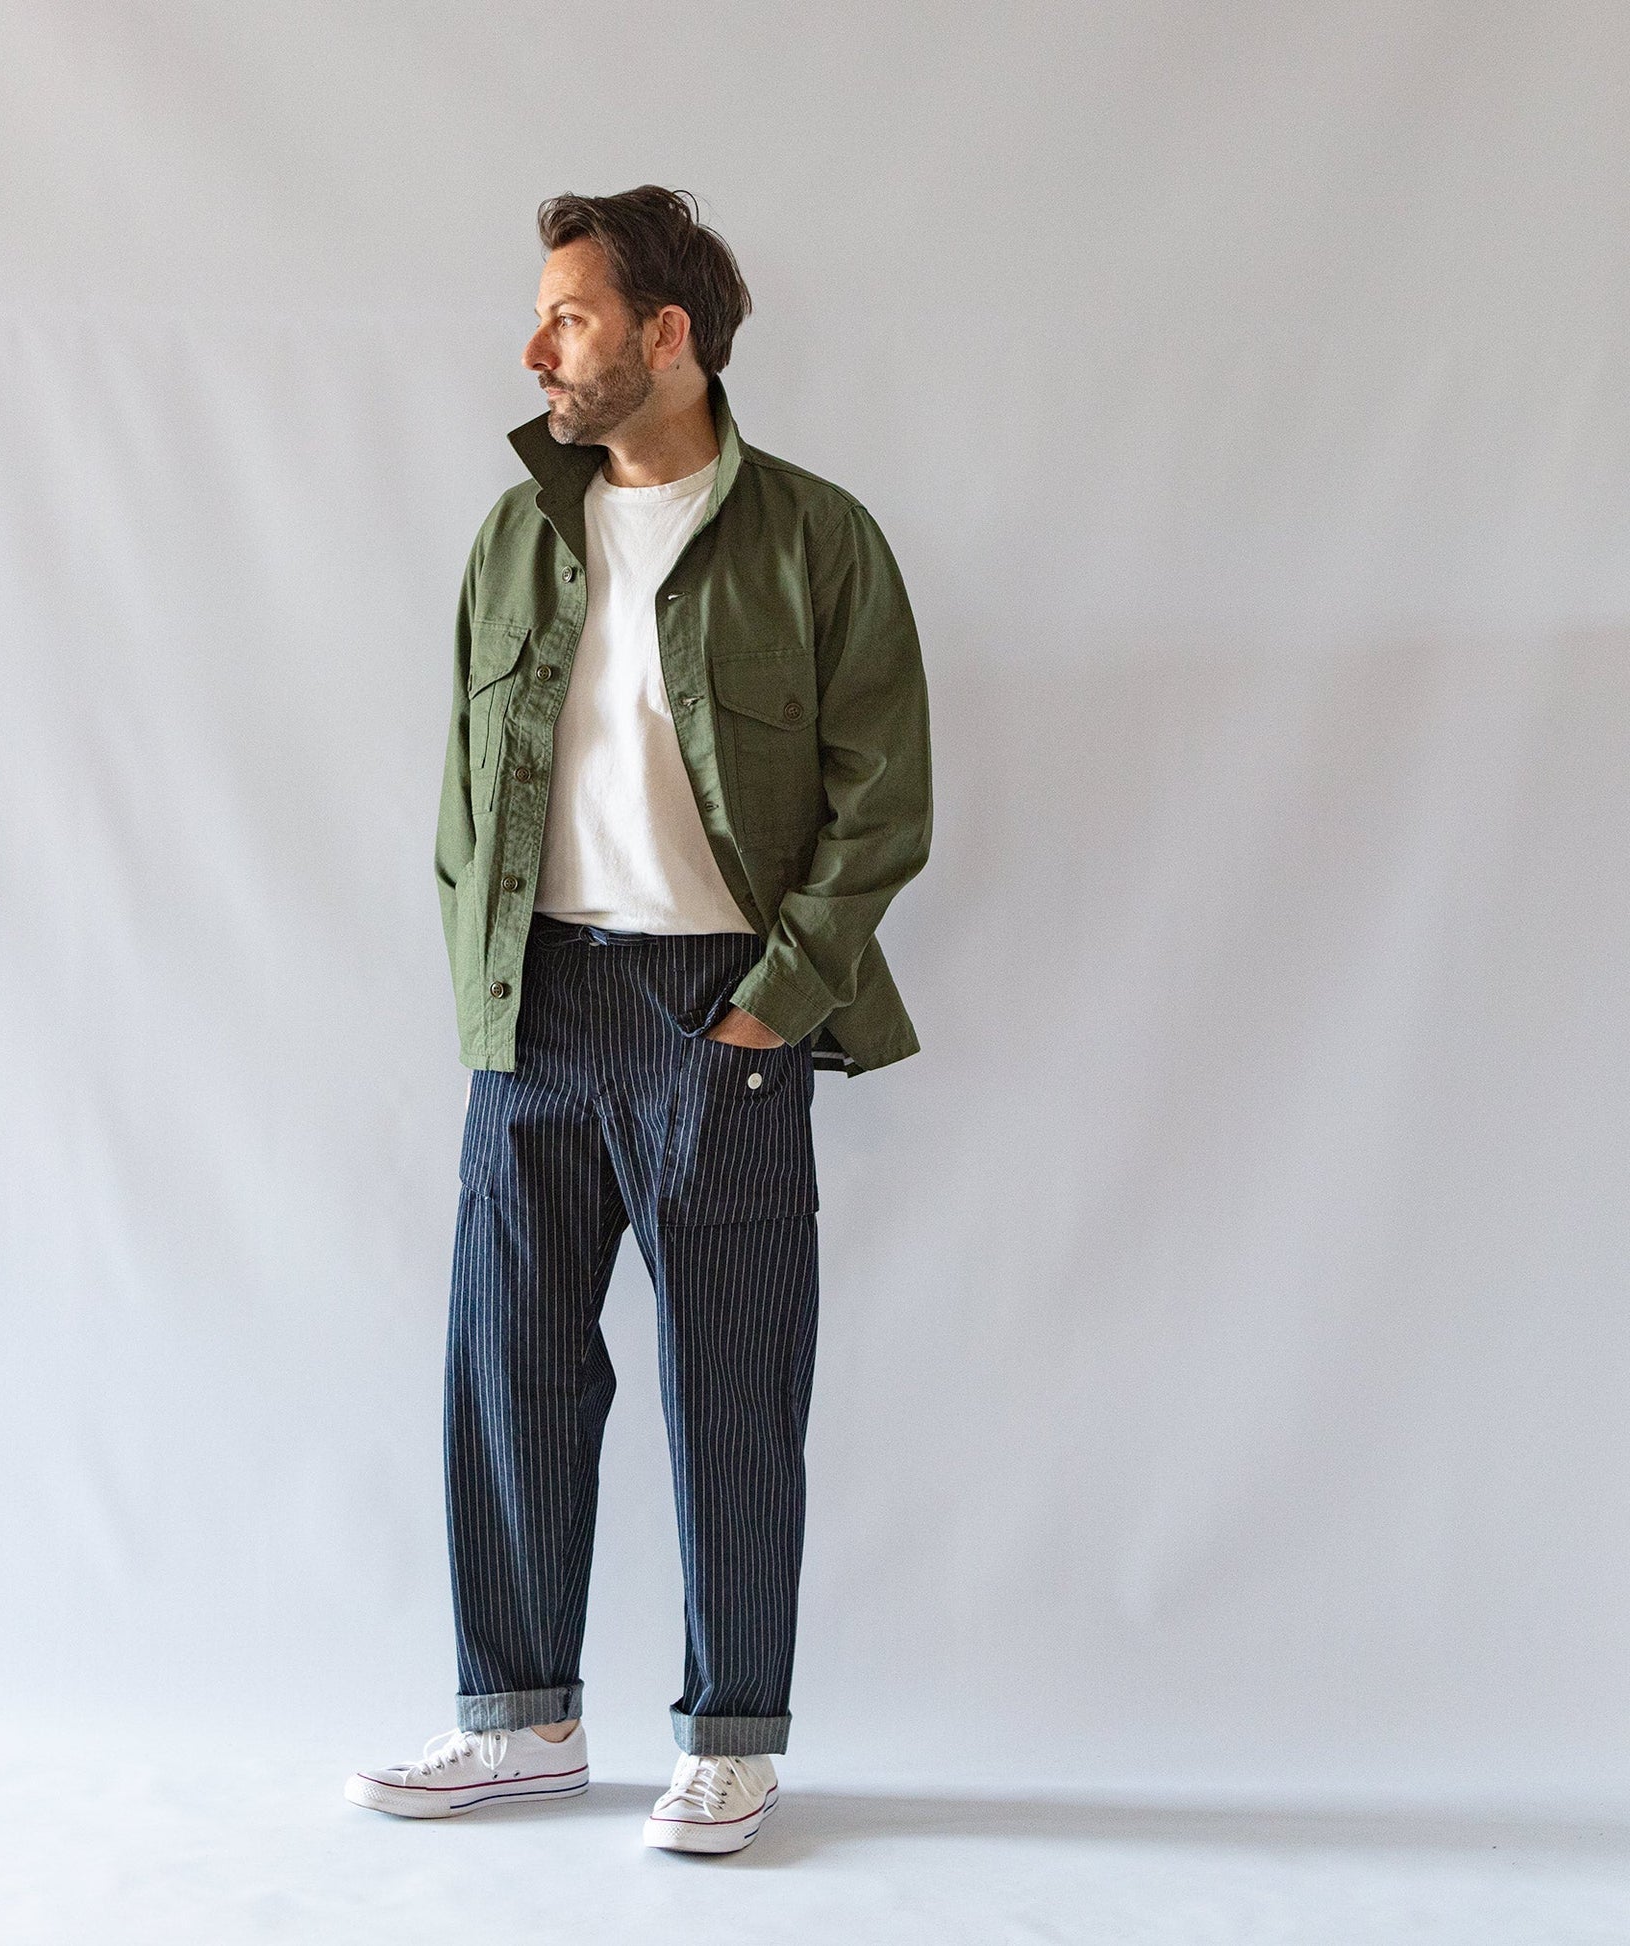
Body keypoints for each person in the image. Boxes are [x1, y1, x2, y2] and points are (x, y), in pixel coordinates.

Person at [346, 185, 932, 1856]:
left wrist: (770, 1009)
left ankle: (731, 1735)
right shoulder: (516, 536)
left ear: (667, 336)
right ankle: (520, 1720)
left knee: (731, 1386)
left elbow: (882, 805)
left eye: (572, 316)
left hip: (715, 1008)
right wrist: (485, 990)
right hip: (536, 1007)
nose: (538, 348)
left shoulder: (815, 539)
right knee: (506, 1369)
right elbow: (466, 790)